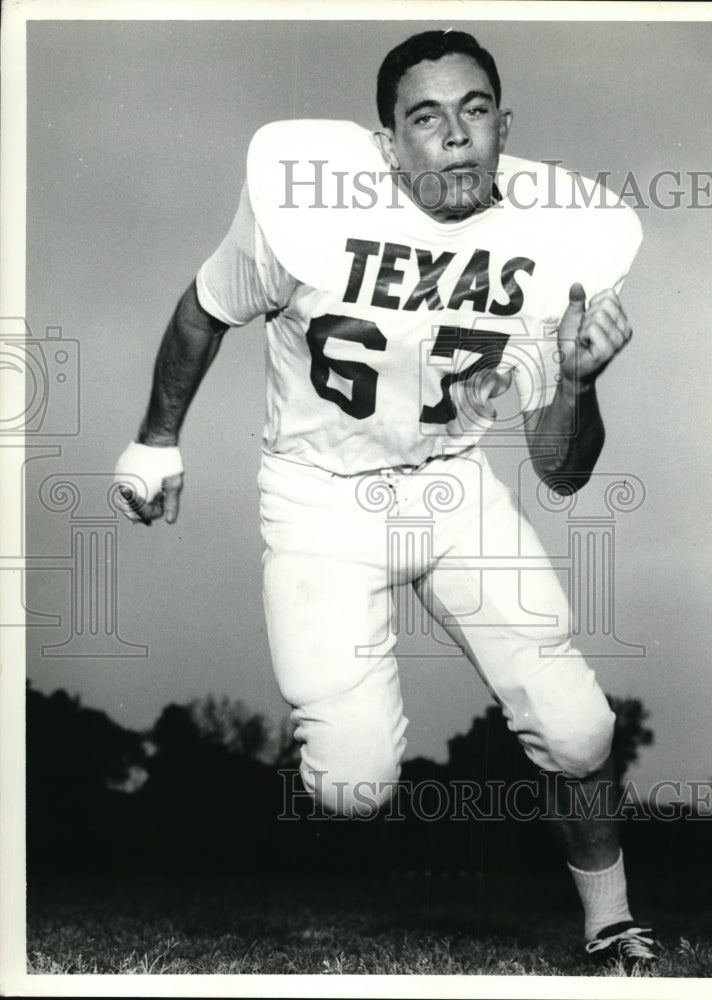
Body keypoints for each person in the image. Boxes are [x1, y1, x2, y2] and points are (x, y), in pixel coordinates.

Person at [115, 29, 657, 968]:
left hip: (451, 485)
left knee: (579, 729)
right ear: (386, 143)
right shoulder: (310, 210)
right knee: (352, 787)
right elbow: (205, 308)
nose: (455, 137)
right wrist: (156, 437)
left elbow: (562, 472)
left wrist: (576, 382)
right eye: (426, 117)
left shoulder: (556, 245)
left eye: (475, 111)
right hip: (319, 496)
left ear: (505, 126)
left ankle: (611, 925)